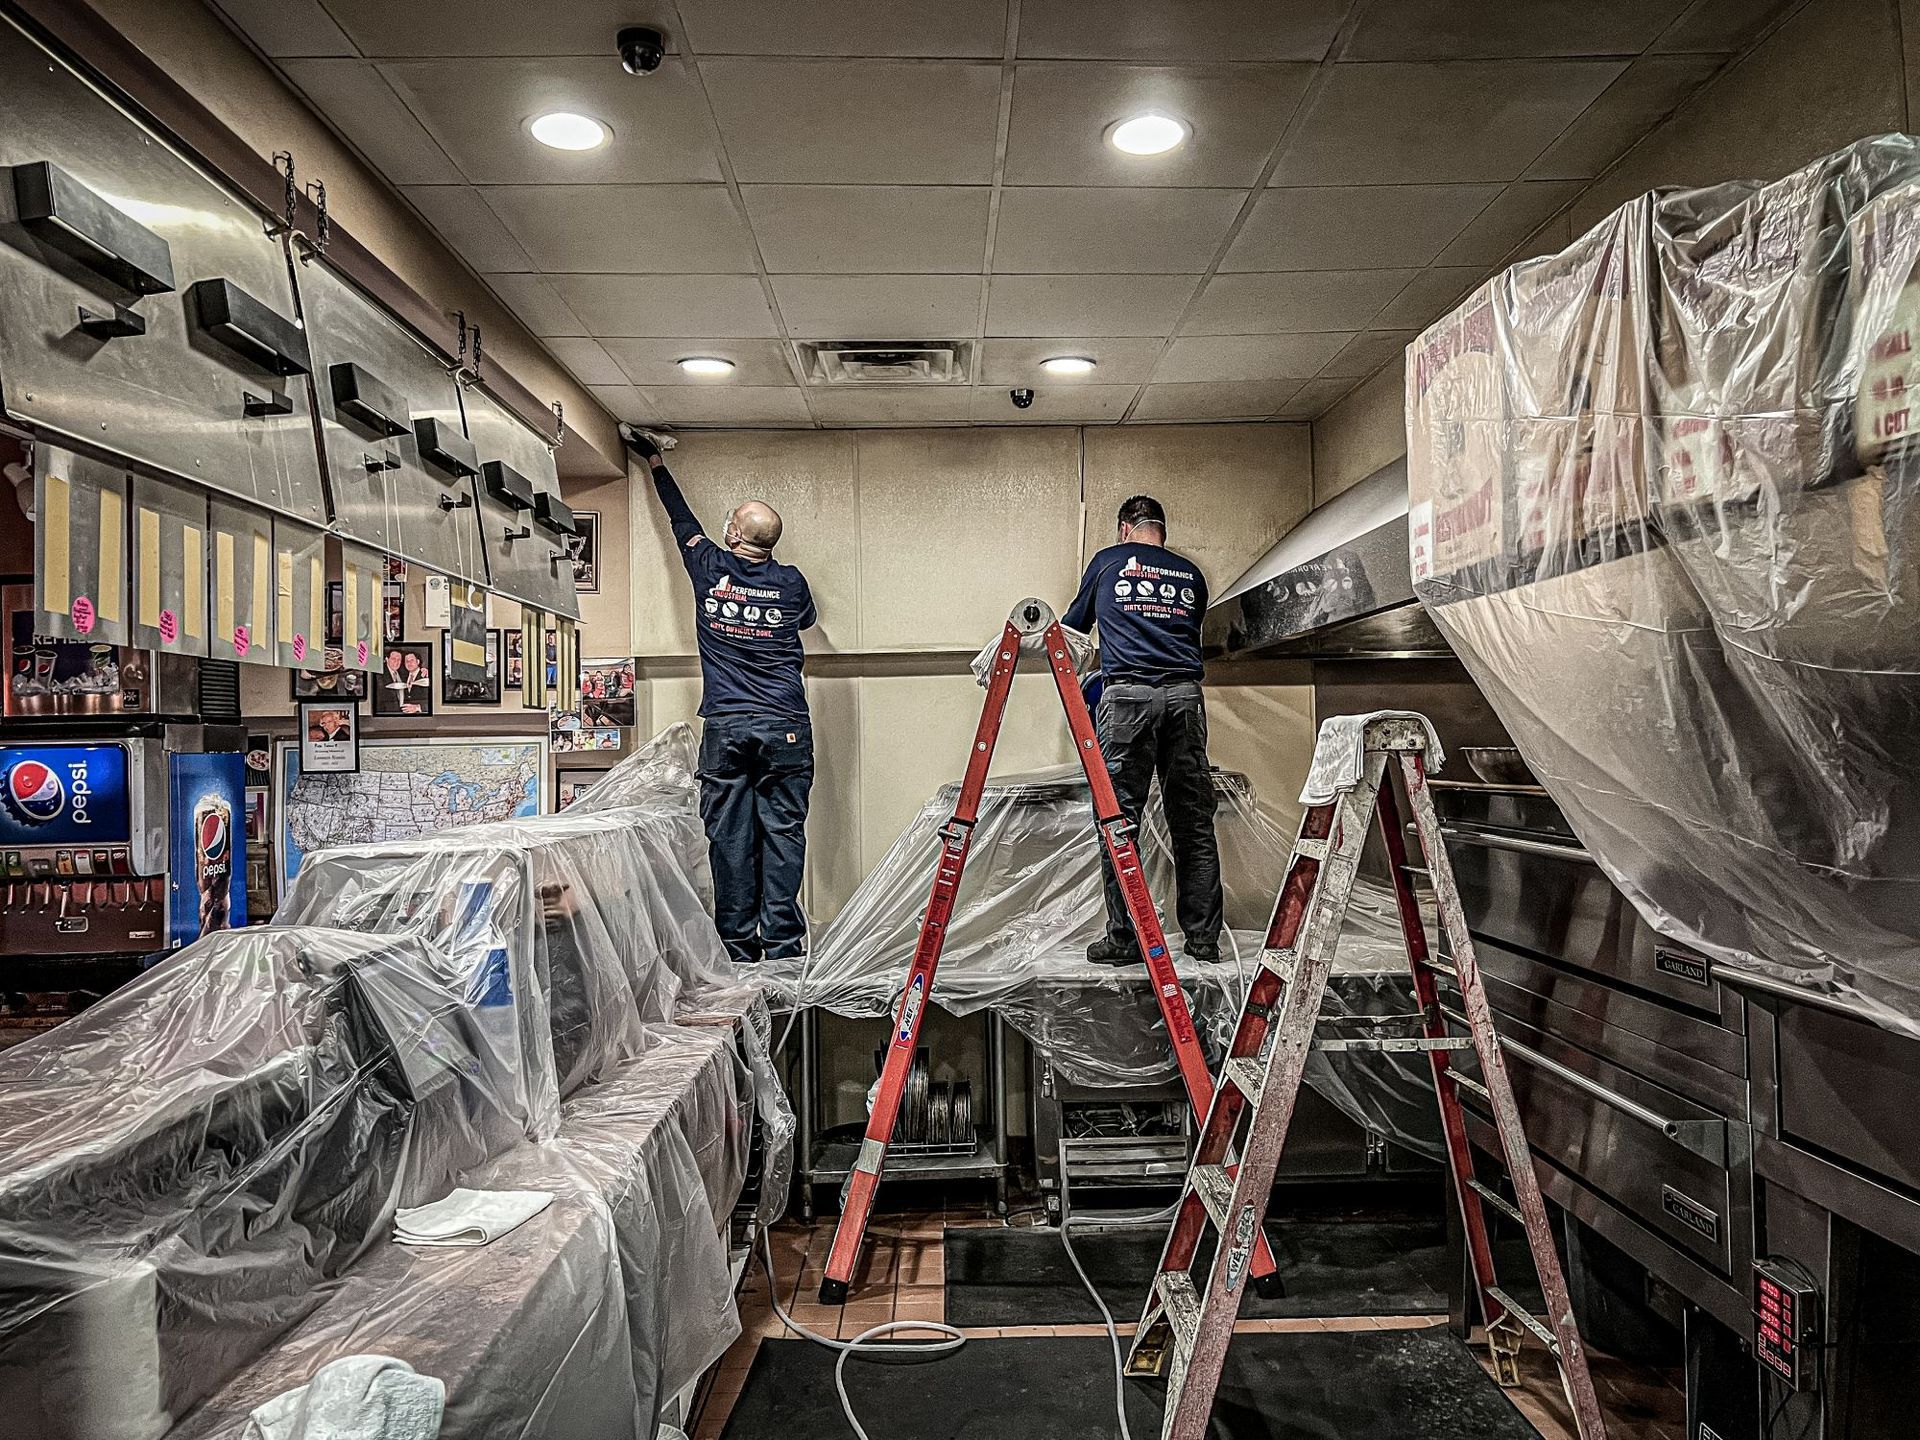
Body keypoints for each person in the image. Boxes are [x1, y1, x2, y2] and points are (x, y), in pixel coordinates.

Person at [623, 427, 817, 964]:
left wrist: (655, 461)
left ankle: (736, 946)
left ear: (732, 531)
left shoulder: (708, 565)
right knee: (783, 833)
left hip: (728, 727)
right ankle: (782, 946)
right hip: (785, 726)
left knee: (730, 837)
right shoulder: (792, 581)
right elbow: (806, 618)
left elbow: (679, 519)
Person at [1063, 495, 1222, 965]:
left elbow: (1072, 631)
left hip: (1128, 698)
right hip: (1186, 699)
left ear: (1124, 528)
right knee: (1192, 822)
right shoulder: (1190, 575)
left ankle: (1125, 938)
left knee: (1119, 823)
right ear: (1161, 531)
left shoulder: (1110, 561)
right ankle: (1203, 940)